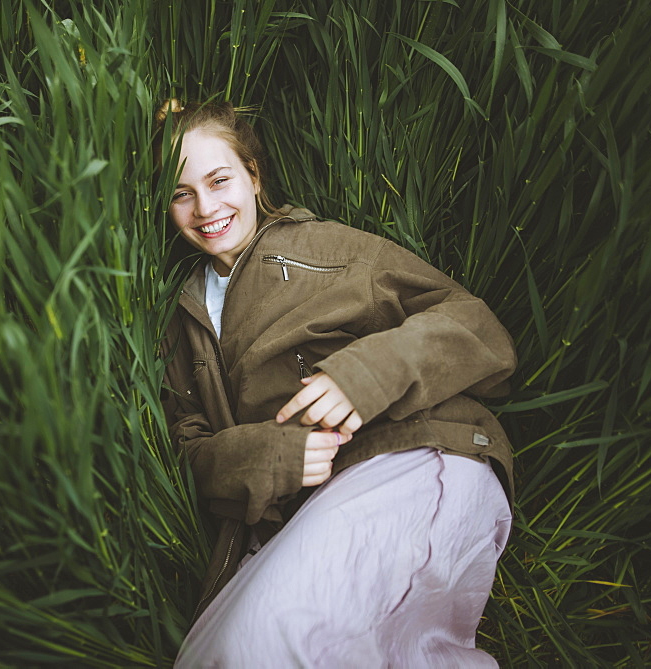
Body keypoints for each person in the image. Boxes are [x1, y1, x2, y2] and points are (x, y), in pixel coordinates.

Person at [156, 99, 517, 668]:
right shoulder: (180, 314)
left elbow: (479, 329)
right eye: (181, 193)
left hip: (413, 454)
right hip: (301, 515)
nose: (206, 207)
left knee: (260, 646)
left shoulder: (322, 248)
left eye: (219, 179)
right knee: (211, 656)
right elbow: (187, 446)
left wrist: (365, 374)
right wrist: (268, 457)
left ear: (253, 175)